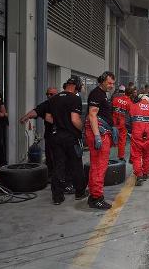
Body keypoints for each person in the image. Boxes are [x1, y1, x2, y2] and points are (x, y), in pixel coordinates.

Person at [47, 76, 88, 205]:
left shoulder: (53, 98)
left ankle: (57, 197)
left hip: (56, 136)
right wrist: (82, 129)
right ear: (76, 86)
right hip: (70, 137)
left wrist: (60, 123)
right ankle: (80, 193)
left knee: (58, 166)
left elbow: (49, 118)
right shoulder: (75, 98)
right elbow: (75, 119)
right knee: (76, 165)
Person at [84, 72, 118, 210]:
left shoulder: (102, 94)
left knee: (97, 165)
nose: (111, 85)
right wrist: (97, 135)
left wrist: (112, 126)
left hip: (103, 130)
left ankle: (94, 194)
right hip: (99, 132)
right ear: (102, 81)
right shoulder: (97, 94)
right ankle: (96, 198)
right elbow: (92, 115)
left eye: (113, 83)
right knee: (100, 166)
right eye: (109, 83)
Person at [127, 94, 149, 186]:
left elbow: (128, 123)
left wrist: (131, 131)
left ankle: (139, 175)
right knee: (147, 155)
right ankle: (145, 173)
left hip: (136, 135)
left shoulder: (133, 107)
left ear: (140, 99)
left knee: (136, 155)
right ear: (148, 100)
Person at [112, 85, 131, 161]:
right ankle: (121, 156)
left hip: (113, 122)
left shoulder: (114, 99)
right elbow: (130, 113)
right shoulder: (128, 101)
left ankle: (106, 156)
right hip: (123, 123)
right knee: (122, 140)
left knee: (110, 138)